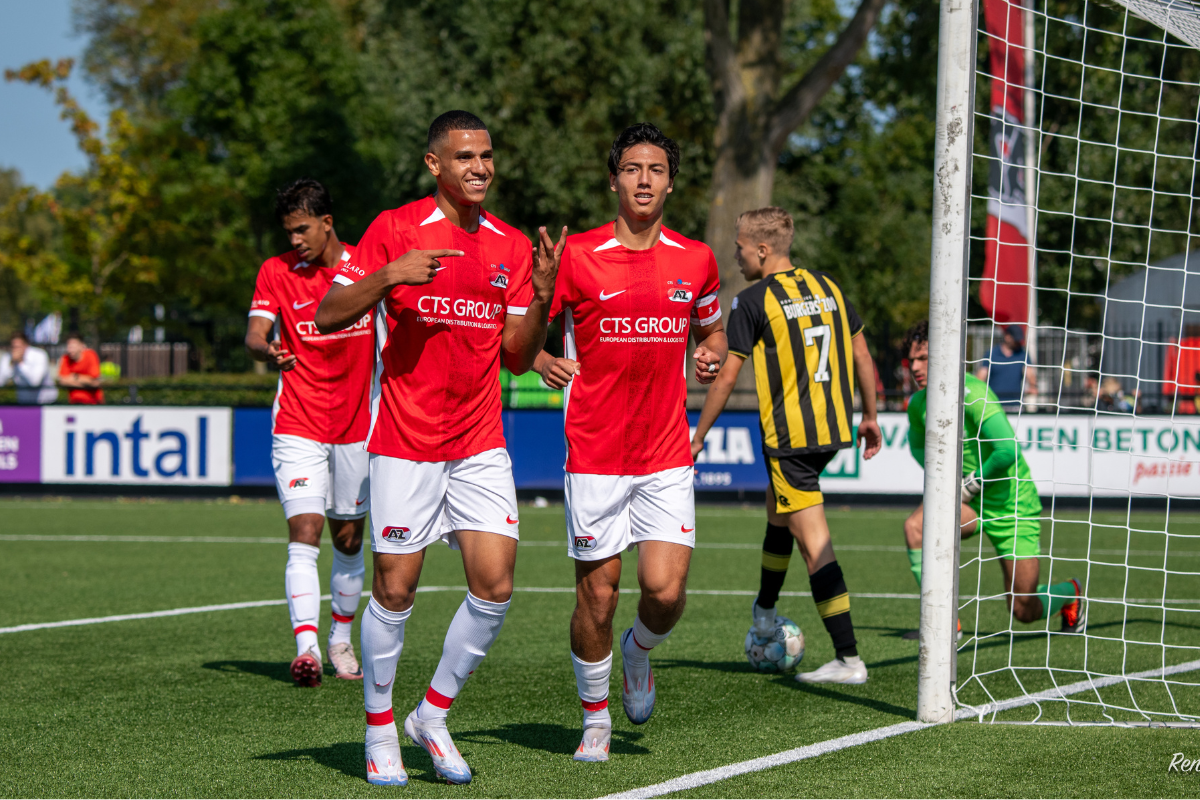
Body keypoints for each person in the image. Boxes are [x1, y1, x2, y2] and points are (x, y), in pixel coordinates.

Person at [315, 110, 562, 787]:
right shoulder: (395, 229)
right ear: (434, 164)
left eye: (486, 155)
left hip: (479, 443)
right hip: (405, 442)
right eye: (464, 157)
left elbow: (517, 357)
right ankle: (378, 730)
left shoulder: (511, 244)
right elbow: (328, 314)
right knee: (395, 590)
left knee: (496, 586)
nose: (480, 167)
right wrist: (389, 276)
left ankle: (431, 715)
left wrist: (542, 298)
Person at [533, 123, 726, 763]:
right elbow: (520, 334)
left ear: (671, 183)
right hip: (594, 455)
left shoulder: (696, 259)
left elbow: (714, 334)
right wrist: (541, 359)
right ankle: (595, 721)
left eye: (656, 169)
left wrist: (708, 354)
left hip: (666, 453)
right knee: (598, 595)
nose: (644, 180)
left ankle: (637, 652)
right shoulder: (577, 256)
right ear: (614, 179)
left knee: (665, 593)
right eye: (633, 169)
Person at [690, 206, 882, 685]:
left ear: (761, 249)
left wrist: (698, 436)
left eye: (739, 247)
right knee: (779, 513)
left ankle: (848, 659)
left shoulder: (752, 301)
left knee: (815, 545)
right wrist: (871, 415)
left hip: (791, 441)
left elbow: (727, 376)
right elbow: (862, 353)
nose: (735, 255)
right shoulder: (828, 286)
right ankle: (764, 613)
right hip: (831, 431)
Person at [245, 178, 373, 689]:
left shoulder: (366, 267)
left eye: (302, 229)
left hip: (358, 426)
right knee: (304, 532)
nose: (294, 240)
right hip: (298, 422)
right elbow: (255, 334)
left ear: (327, 222)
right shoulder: (275, 271)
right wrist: (266, 349)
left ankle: (340, 638)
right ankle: (308, 649)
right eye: (288, 232)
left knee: (349, 538)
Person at [902, 320, 1083, 637]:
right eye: (912, 360)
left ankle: (1071, 593)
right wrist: (946, 479)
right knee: (916, 528)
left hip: (1012, 504)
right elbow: (917, 446)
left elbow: (1006, 450)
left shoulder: (974, 393)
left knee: (1023, 609)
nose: (915, 367)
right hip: (970, 502)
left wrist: (968, 484)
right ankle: (944, 624)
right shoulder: (919, 403)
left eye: (924, 358)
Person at [975, 324, 1036, 409]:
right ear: (1007, 337)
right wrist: (977, 391)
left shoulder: (1022, 354)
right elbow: (981, 375)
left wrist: (1033, 386)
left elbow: (1029, 373)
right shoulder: (992, 353)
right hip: (993, 403)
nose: (1018, 342)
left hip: (1015, 404)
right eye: (1015, 339)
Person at [0, 332, 58, 404]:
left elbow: (35, 382)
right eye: (13, 347)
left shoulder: (39, 355)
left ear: (26, 346)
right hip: (23, 402)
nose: (16, 350)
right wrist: (11, 364)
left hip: (45, 402)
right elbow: (1, 382)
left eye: (18, 347)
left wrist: (21, 363)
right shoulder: (8, 357)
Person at [57, 333, 103, 404]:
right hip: (74, 402)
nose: (70, 350)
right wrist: (86, 383)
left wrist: (74, 377)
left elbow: (94, 381)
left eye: (73, 347)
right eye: (69, 347)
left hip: (93, 402)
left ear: (81, 346)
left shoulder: (91, 355)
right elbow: (62, 380)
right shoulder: (65, 358)